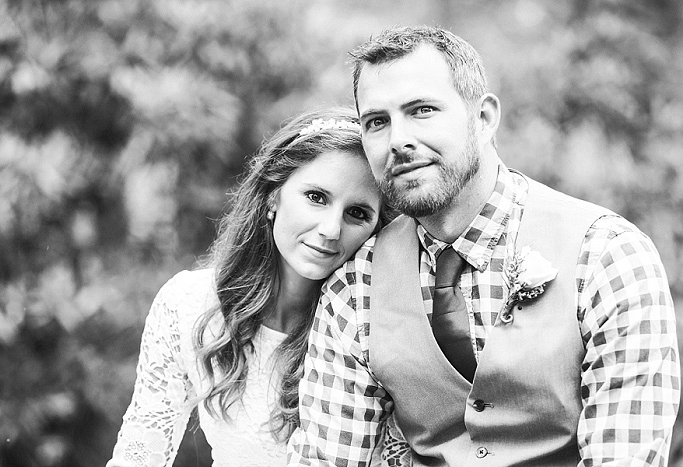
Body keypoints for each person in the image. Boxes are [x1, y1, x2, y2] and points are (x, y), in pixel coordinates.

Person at [288, 26, 680, 466]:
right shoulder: (356, 284)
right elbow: (327, 458)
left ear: (485, 117)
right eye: (377, 122)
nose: (397, 140)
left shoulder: (608, 256)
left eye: (422, 110)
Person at [106, 108, 402, 466]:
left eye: (357, 213)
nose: (331, 229)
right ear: (273, 195)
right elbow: (139, 456)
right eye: (317, 197)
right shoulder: (188, 304)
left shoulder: (372, 330)